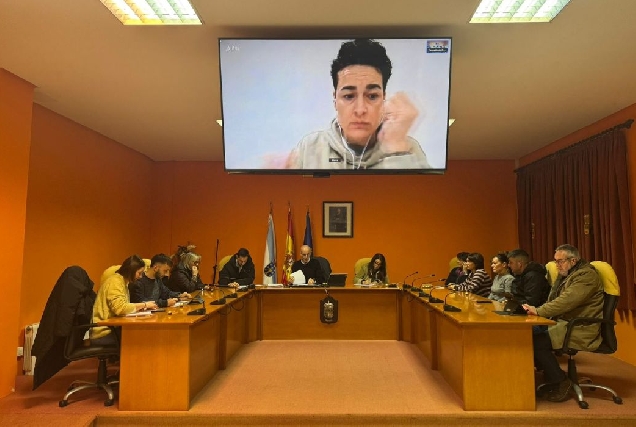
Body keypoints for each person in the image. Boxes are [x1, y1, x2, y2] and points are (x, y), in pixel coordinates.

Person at [286, 38, 431, 170]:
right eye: (349, 96)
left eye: (372, 96)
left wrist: (396, 150)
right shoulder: (310, 147)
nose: (360, 110)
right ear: (335, 100)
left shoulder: (406, 148)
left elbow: (412, 191)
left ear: (383, 99)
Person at [523, 244, 604, 403]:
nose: (557, 265)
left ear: (573, 261)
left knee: (536, 341)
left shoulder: (587, 276)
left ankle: (560, 380)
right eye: (556, 261)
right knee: (528, 333)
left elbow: (565, 302)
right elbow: (554, 300)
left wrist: (538, 311)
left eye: (560, 261)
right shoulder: (568, 274)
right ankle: (550, 375)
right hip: (565, 323)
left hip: (581, 327)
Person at [91, 255, 158, 345]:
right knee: (143, 338)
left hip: (113, 329)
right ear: (131, 271)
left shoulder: (123, 282)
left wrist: (140, 308)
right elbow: (120, 308)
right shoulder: (115, 282)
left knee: (144, 335)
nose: (141, 277)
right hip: (104, 332)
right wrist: (144, 305)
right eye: (139, 273)